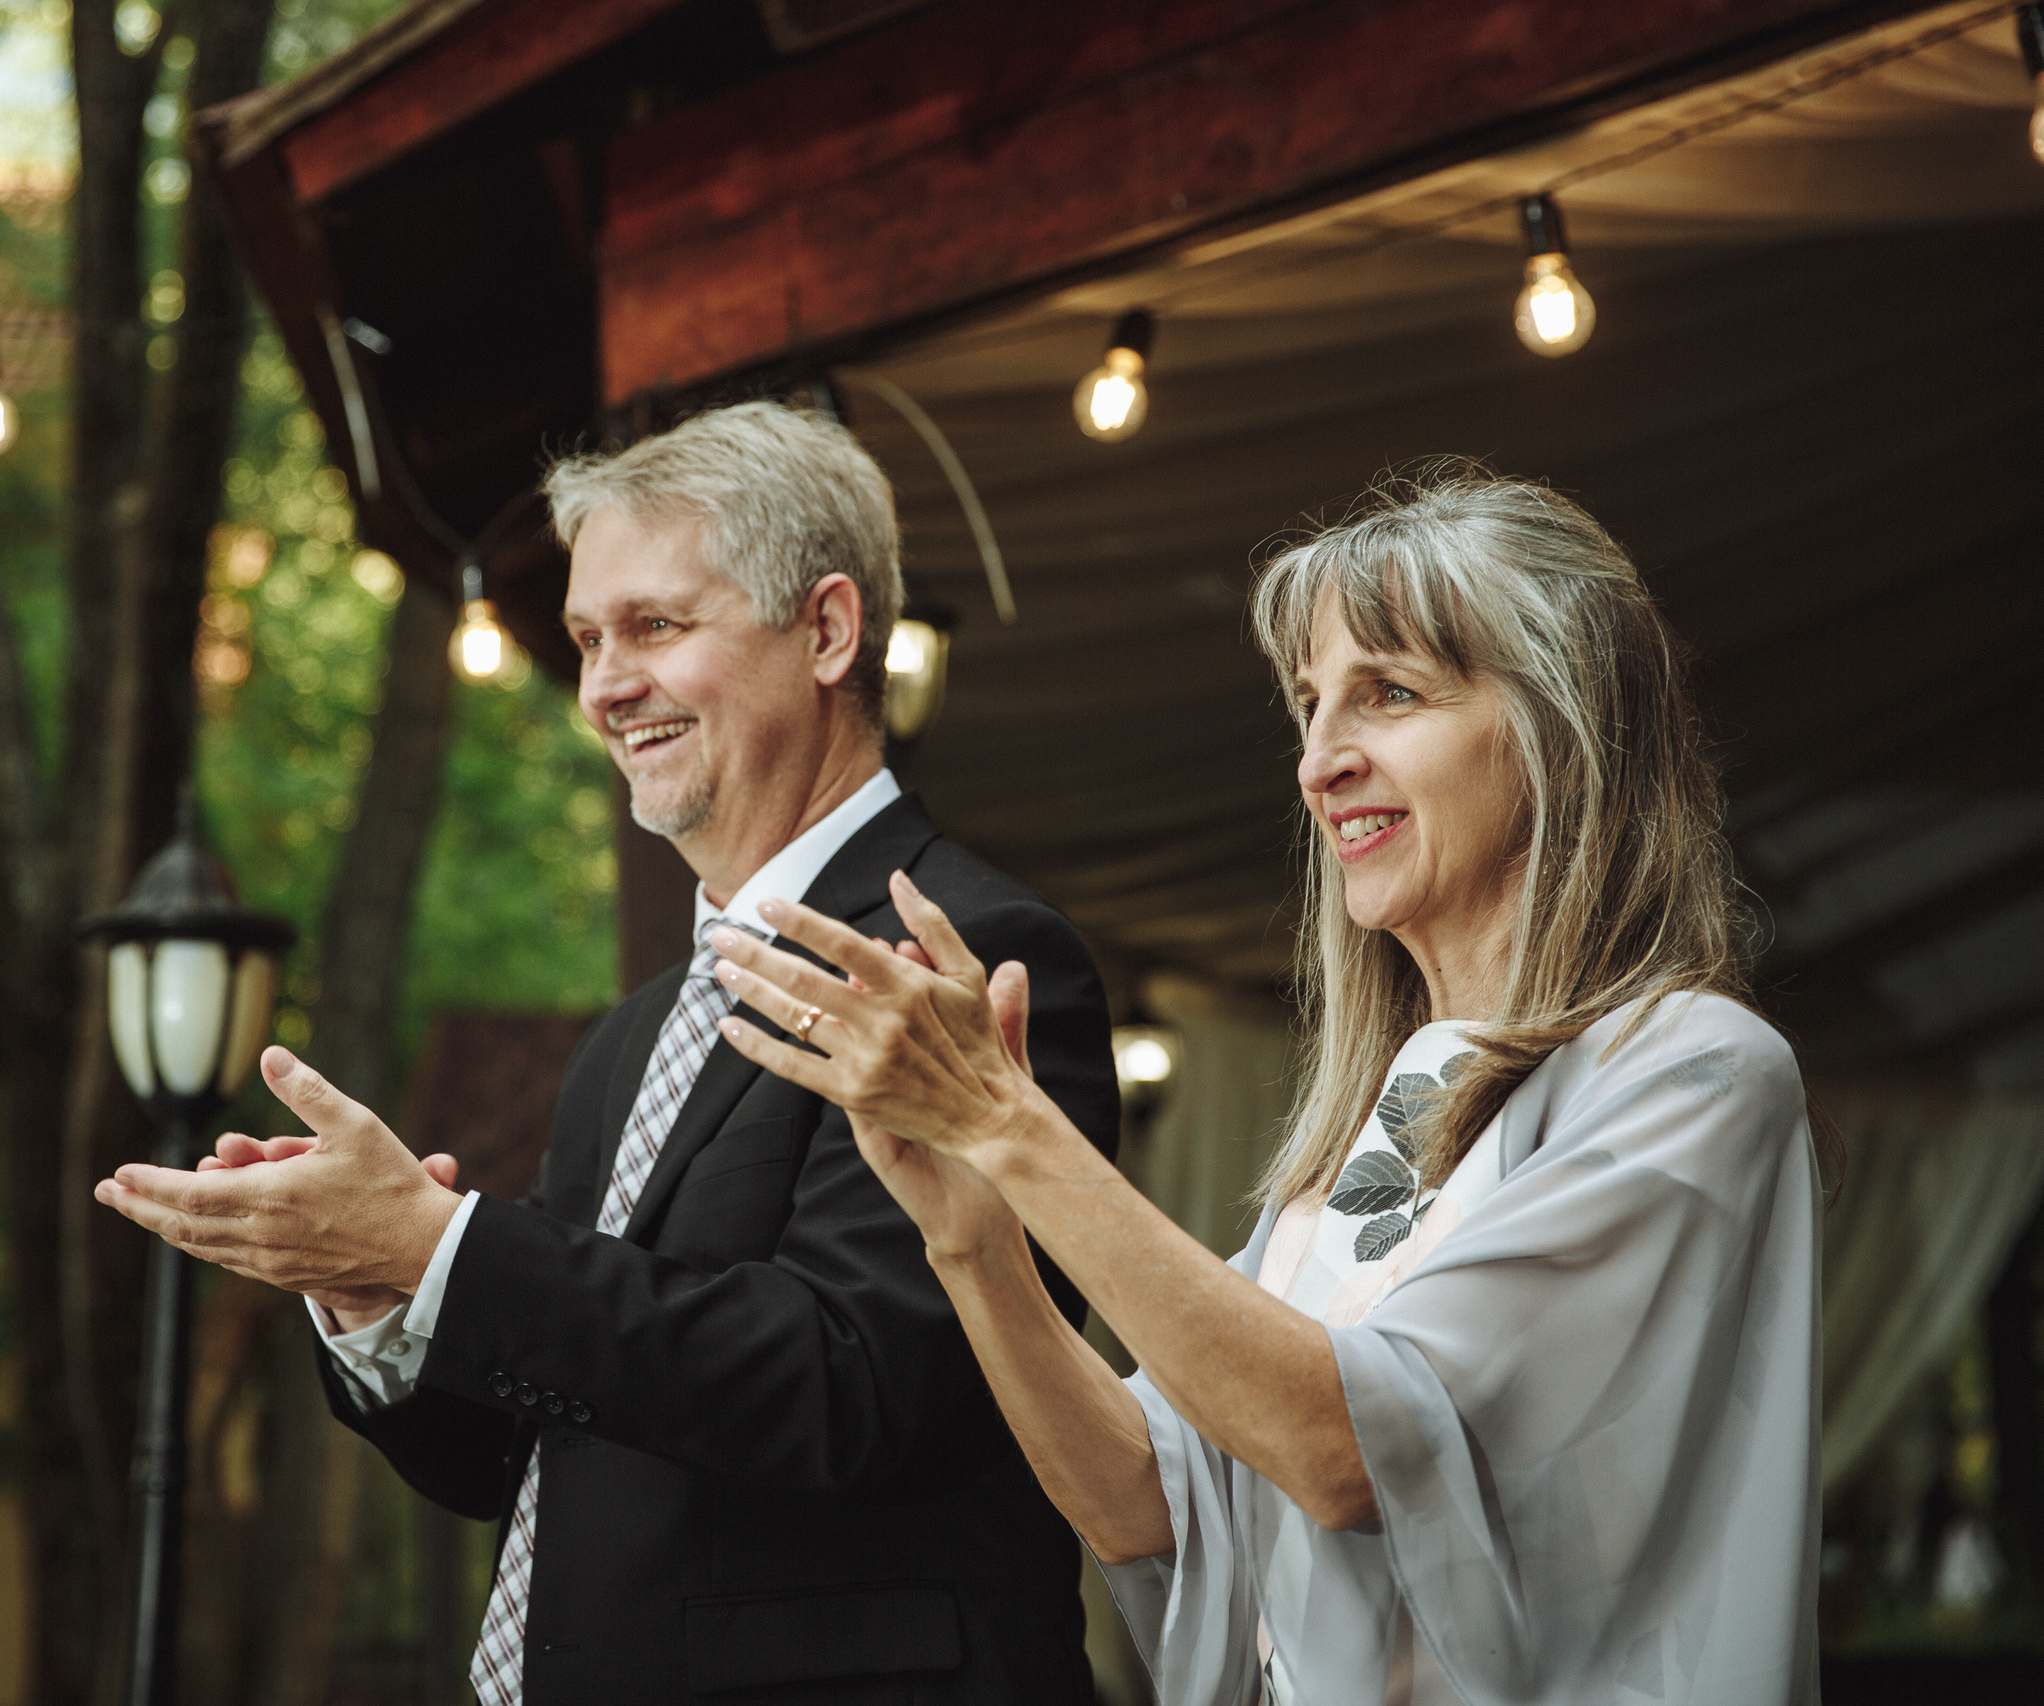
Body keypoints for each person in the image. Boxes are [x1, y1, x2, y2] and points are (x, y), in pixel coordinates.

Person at [707, 466, 1823, 1705]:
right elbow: (1153, 1497)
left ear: (1566, 729)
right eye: (1308, 707)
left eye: (1387, 695)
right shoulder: (1400, 1103)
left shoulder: (1693, 1067)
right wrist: (976, 1239)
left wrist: (1009, 1122)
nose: (1318, 762)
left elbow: (1348, 1447)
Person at [94, 401, 1120, 1705]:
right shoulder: (628, 1039)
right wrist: (377, 1289)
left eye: (655, 626)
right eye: (587, 638)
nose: (603, 686)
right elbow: (537, 1450)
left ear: (827, 629)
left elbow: (859, 1383)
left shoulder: (978, 956)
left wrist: (444, 1246)